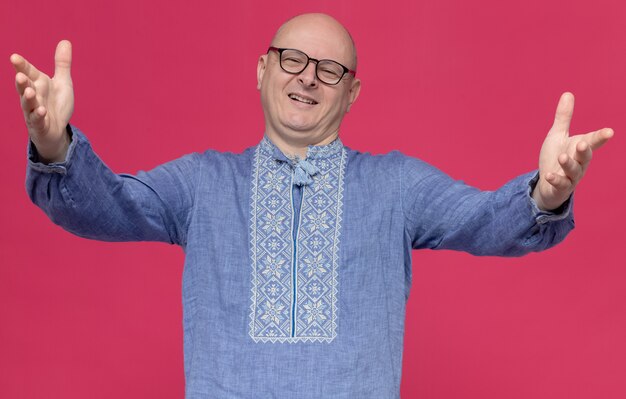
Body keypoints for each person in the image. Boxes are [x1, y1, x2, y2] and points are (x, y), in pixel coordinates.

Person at [10, 12, 613, 399]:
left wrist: (546, 190)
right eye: (293, 60)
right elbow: (102, 207)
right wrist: (53, 142)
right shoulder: (202, 182)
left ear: (351, 94)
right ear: (262, 70)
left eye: (331, 69)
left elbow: (485, 220)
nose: (308, 78)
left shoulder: (396, 185)